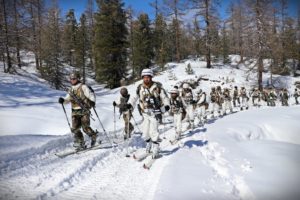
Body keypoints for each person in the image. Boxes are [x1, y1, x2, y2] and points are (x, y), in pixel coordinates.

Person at [129, 69, 170, 158]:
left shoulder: (157, 87)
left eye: (148, 77)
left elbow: (165, 97)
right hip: (145, 113)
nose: (146, 79)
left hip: (155, 113)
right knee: (145, 133)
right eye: (144, 77)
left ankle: (156, 148)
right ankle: (149, 144)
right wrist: (130, 105)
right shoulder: (140, 87)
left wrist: (167, 105)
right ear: (142, 78)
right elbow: (134, 98)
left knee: (153, 131)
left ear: (151, 77)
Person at [58, 72, 98, 150]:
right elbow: (67, 99)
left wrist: (92, 103)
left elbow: (91, 96)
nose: (72, 80)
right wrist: (63, 100)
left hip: (84, 110)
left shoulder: (83, 87)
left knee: (85, 128)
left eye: (74, 78)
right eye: (71, 79)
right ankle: (81, 143)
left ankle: (93, 136)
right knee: (74, 128)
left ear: (78, 78)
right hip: (75, 111)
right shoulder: (71, 89)